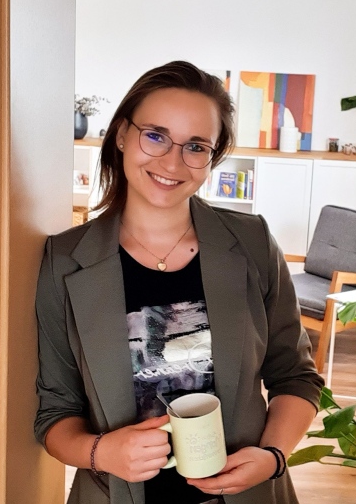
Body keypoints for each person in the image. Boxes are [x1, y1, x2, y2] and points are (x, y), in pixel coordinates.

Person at [34, 60, 324, 504]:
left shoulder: (252, 244)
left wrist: (273, 456)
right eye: (155, 135)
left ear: (212, 157)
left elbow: (296, 377)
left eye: (195, 146)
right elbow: (55, 413)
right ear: (122, 135)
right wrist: (101, 452)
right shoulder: (64, 261)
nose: (172, 162)